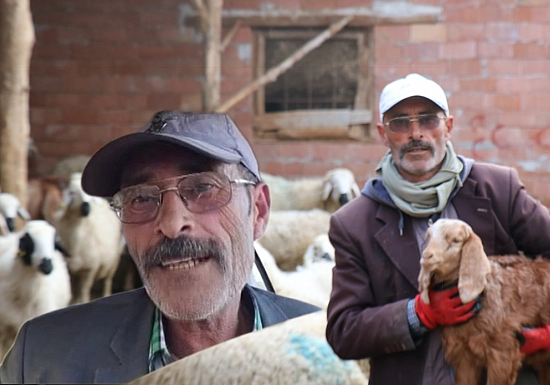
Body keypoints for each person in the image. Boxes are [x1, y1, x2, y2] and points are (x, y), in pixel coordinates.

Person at [325, 74, 550, 385]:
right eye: (400, 122)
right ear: (383, 133)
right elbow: (343, 331)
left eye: (429, 119)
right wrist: (417, 314)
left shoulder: (496, 189)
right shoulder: (355, 222)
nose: (416, 133)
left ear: (449, 126)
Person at [0, 111, 319, 383]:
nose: (170, 223)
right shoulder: (42, 360)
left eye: (203, 187)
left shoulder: (342, 354)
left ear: (259, 211)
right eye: (141, 198)